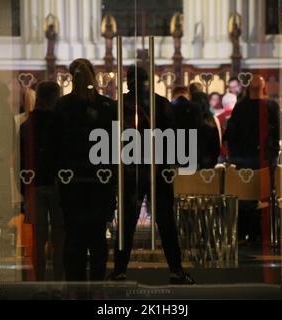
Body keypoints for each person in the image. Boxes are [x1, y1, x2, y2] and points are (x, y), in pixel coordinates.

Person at [108, 66, 195, 285]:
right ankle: (175, 270)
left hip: (132, 170)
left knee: (127, 225)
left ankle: (120, 270)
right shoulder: (160, 104)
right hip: (156, 169)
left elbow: (112, 138)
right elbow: (172, 137)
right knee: (165, 223)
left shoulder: (121, 105)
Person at [54, 59, 117, 281]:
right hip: (100, 181)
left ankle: (75, 285)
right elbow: (115, 148)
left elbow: (56, 147)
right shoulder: (108, 107)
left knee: (74, 236)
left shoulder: (62, 106)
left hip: (71, 181)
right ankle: (98, 284)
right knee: (98, 236)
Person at [224, 75, 280, 243]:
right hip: (263, 158)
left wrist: (233, 155)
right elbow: (277, 133)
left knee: (244, 197)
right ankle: (260, 235)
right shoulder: (271, 106)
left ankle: (243, 233)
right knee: (264, 197)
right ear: (264, 89)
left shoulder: (240, 107)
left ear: (248, 89)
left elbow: (231, 133)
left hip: (243, 157)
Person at [20, 81, 65, 281]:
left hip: (34, 185)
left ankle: (38, 281)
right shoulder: (60, 122)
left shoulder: (26, 124)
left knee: (38, 239)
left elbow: (22, 157)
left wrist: (23, 189)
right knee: (59, 237)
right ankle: (58, 279)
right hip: (58, 185)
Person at [217, 93, 238, 163]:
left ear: (223, 103)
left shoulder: (218, 118)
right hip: (236, 153)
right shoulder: (239, 116)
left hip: (222, 153)